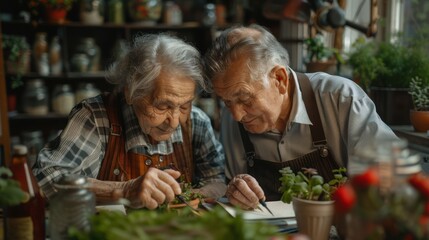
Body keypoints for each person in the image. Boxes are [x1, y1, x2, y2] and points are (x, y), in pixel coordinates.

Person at [203, 24, 400, 210]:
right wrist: (235, 191)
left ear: (279, 79)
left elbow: (392, 176)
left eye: (245, 98)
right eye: (227, 102)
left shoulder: (341, 99)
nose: (236, 115)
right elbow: (228, 187)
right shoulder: (232, 122)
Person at [33, 33, 226, 209]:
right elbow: (47, 180)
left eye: (184, 106)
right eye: (162, 106)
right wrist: (124, 191)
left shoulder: (196, 122)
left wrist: (192, 196)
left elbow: (216, 179)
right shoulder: (96, 118)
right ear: (131, 93)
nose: (174, 122)